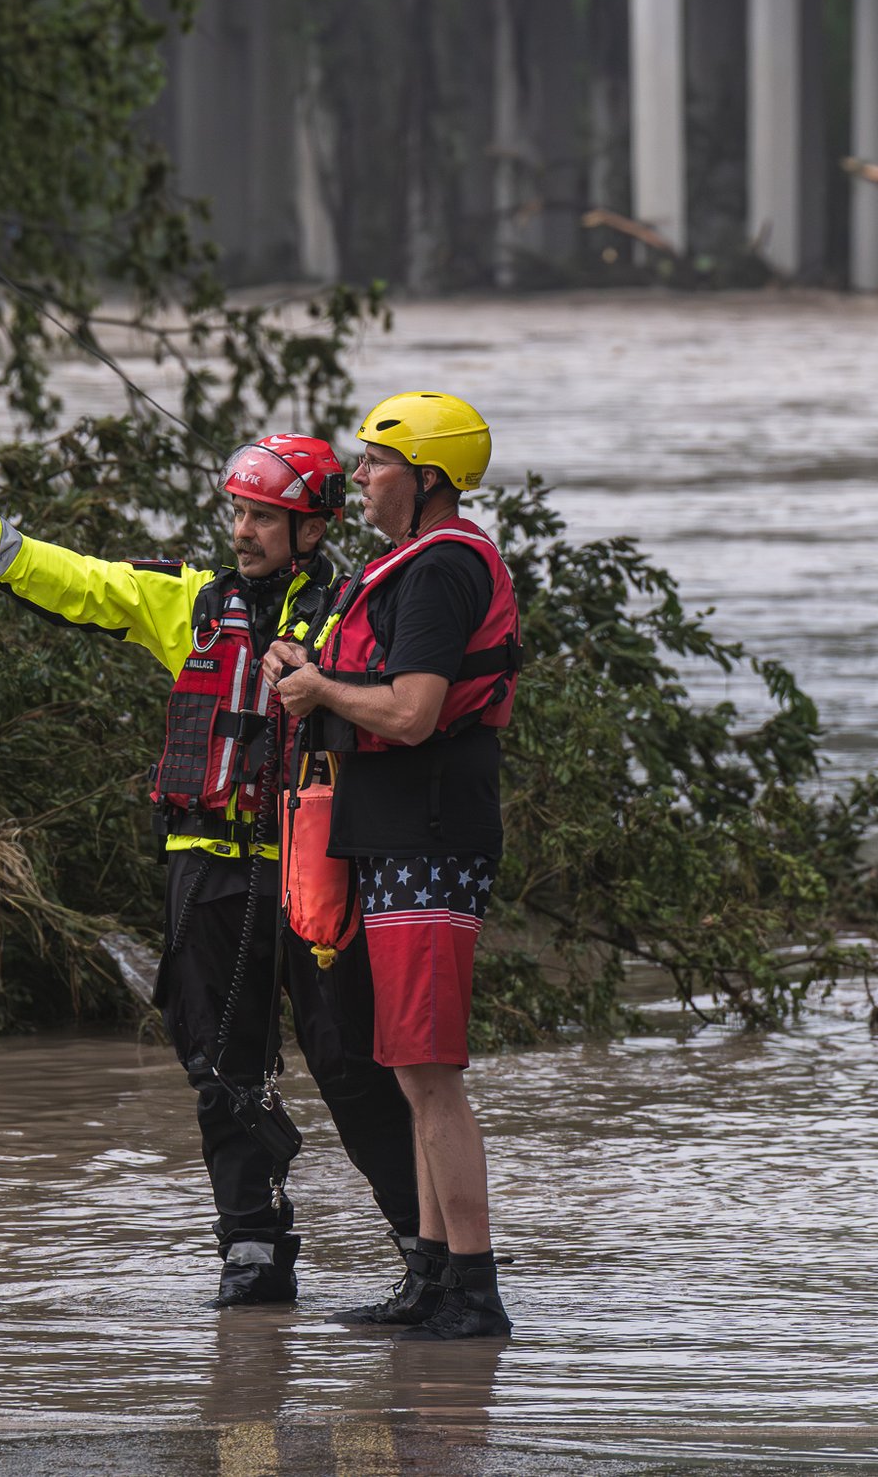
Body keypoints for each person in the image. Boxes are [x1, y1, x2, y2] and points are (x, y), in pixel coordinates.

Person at [0, 436, 419, 1307]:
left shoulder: (355, 609)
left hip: (316, 868)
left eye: (263, 517)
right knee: (219, 1066)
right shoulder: (193, 602)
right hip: (206, 864)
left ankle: (422, 1247)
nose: (243, 531)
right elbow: (75, 579)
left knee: (348, 1064)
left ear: (312, 528)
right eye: (239, 513)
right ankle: (252, 1246)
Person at [266, 391, 522, 1341]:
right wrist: (317, 670)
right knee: (407, 1064)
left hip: (430, 840)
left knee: (428, 1070)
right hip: (399, 839)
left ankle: (474, 1288)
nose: (360, 480)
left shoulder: (443, 568)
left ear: (425, 481)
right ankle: (430, 1278)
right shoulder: (412, 567)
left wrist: (322, 684)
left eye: (374, 465)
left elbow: (413, 711)